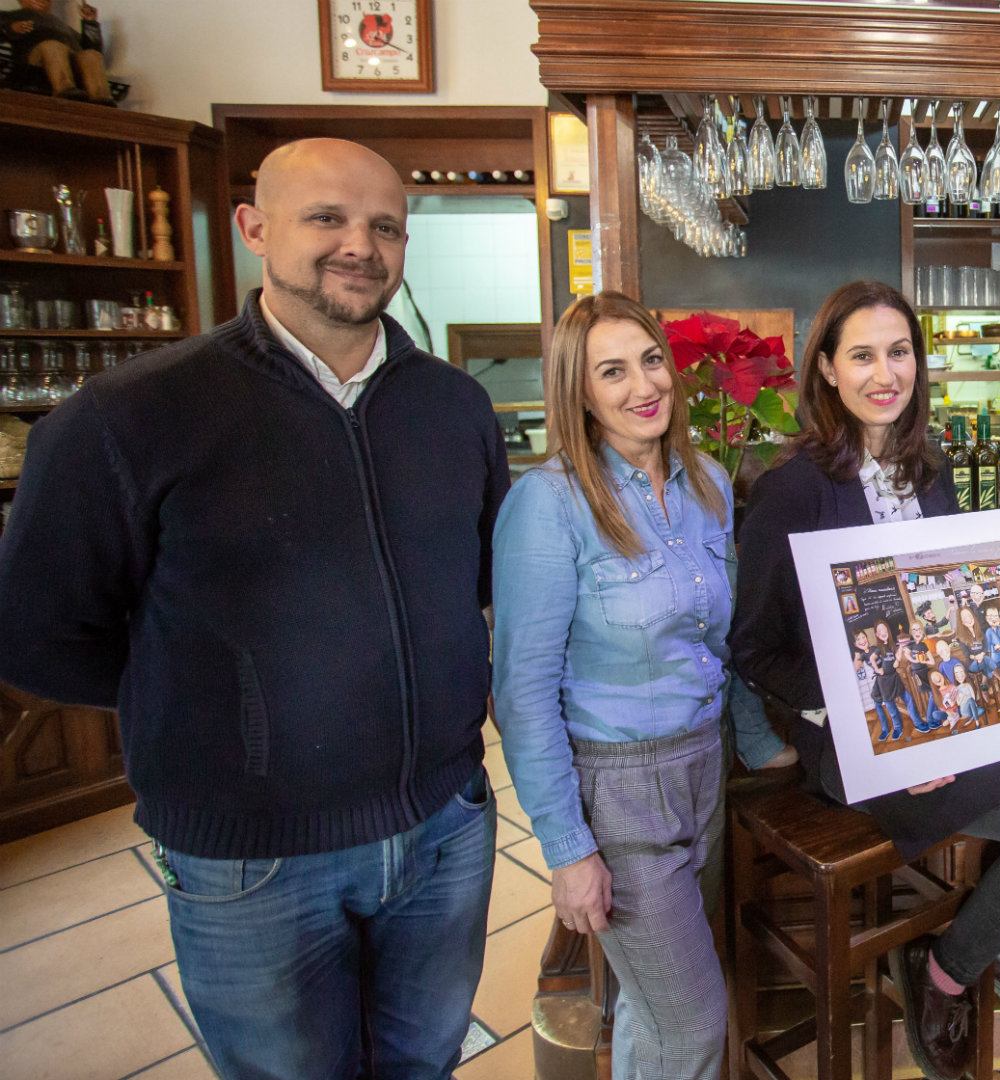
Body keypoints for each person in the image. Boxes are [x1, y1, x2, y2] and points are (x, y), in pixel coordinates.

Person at [0, 138, 507, 1078]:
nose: (360, 245)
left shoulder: (454, 408)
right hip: (255, 861)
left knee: (424, 1062)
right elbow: (35, 633)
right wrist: (216, 705)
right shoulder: (128, 416)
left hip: (445, 826)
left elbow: (479, 580)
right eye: (327, 218)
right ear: (254, 228)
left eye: (384, 226)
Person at [731, 280, 1000, 1080]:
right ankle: (951, 967)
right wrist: (875, 722)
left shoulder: (927, 469)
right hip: (851, 739)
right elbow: (754, 649)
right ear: (826, 369)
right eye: (861, 354)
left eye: (898, 352)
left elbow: (945, 614)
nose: (884, 373)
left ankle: (963, 948)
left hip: (943, 721)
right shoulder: (791, 485)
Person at [491, 292, 738, 1080]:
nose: (644, 385)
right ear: (580, 391)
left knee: (652, 1005)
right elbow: (522, 691)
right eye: (613, 370)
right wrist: (566, 848)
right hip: (618, 790)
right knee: (693, 1023)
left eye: (652, 359)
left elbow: (718, 639)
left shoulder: (707, 481)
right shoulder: (547, 503)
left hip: (706, 768)